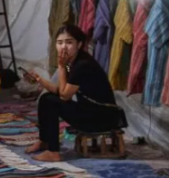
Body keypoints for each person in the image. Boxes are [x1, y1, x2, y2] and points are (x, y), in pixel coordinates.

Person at [24, 24, 125, 162]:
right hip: (91, 111)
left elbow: (64, 96)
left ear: (79, 44)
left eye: (69, 42)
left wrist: (60, 67)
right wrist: (38, 79)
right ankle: (45, 140)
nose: (63, 47)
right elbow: (60, 90)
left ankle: (53, 152)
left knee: (50, 101)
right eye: (60, 43)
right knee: (46, 98)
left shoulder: (82, 64)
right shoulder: (72, 62)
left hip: (102, 118)